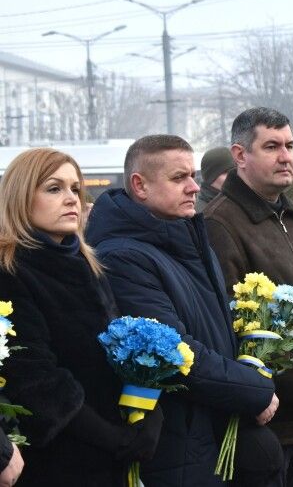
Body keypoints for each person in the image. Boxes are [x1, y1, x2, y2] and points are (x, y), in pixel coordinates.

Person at [85, 135, 279, 487]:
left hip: (208, 433)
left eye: (193, 175)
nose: (194, 187)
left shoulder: (182, 238)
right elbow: (175, 354)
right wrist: (256, 389)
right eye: (179, 178)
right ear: (140, 185)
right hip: (179, 448)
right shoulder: (123, 258)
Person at [0, 148, 163, 486]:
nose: (72, 198)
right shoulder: (10, 271)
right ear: (20, 196)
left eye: (76, 188)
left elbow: (122, 349)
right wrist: (110, 437)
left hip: (110, 456)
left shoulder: (88, 265)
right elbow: (33, 377)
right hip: (58, 462)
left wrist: (149, 411)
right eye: (54, 188)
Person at [204, 107, 293, 487]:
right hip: (267, 417)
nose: (286, 157)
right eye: (272, 146)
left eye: (290, 145)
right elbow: (238, 324)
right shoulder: (220, 223)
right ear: (240, 155)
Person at [197, 146, 235, 212]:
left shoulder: (237, 203)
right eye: (226, 172)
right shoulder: (198, 213)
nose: (234, 176)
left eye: (236, 171)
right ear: (211, 177)